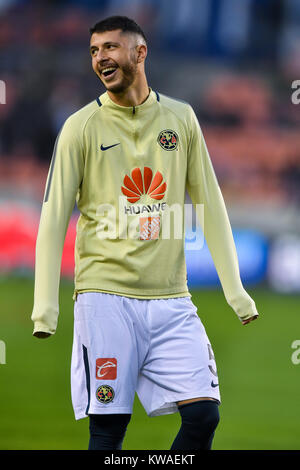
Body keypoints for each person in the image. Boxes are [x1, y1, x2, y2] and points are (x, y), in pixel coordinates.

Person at [31, 15, 259, 451]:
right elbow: (53, 216)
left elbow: (210, 206)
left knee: (203, 415)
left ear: (140, 52)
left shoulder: (181, 118)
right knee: (109, 431)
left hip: (172, 298)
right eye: (95, 51)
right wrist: (46, 306)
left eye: (111, 48)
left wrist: (236, 291)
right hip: (104, 299)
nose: (101, 58)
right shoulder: (81, 127)